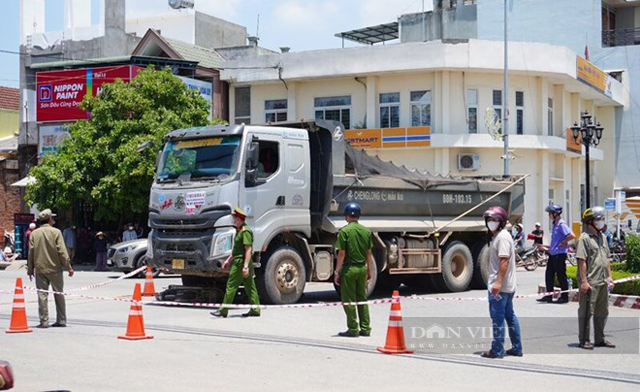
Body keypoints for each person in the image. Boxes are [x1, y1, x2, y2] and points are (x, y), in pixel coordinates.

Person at [481, 206, 523, 359]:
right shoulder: (499, 236)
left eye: (495, 220)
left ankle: (497, 350)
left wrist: (497, 283)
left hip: (501, 287)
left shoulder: (502, 237)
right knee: (509, 315)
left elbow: (504, 261)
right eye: (489, 220)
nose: (491, 223)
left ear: (502, 222)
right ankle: (517, 348)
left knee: (498, 317)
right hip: (505, 286)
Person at [576, 206, 615, 350]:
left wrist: (610, 277)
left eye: (602, 219)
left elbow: (606, 259)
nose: (601, 222)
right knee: (587, 312)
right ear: (590, 222)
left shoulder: (603, 237)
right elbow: (582, 261)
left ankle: (600, 339)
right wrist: (584, 281)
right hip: (590, 282)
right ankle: (584, 340)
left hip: (603, 281)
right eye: (598, 219)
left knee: (602, 312)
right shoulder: (584, 239)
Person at [27, 209, 74, 328]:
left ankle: (43, 321)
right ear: (49, 220)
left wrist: (30, 269)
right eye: (52, 218)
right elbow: (62, 252)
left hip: (40, 269)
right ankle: (61, 320)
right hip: (55, 269)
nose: (53, 220)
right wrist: (68, 267)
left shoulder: (34, 233)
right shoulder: (56, 232)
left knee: (42, 295)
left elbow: (30, 253)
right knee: (59, 294)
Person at [211, 207, 261, 318]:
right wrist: (228, 260)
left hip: (241, 263)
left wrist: (245, 267)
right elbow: (236, 250)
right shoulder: (239, 231)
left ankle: (223, 310)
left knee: (231, 286)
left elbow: (248, 250)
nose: (234, 220)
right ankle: (255, 309)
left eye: (235, 218)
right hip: (240, 262)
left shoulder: (245, 231)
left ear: (240, 219)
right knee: (250, 287)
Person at [334, 202, 373, 338]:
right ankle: (366, 328)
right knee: (362, 298)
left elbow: (342, 254)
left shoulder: (344, 232)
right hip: (362, 268)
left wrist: (337, 271)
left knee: (349, 299)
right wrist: (370, 271)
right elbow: (369, 253)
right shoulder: (366, 231)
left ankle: (353, 328)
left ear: (346, 216)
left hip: (349, 269)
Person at [538, 205, 575, 304]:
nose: (549, 215)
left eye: (550, 213)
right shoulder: (555, 224)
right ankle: (549, 296)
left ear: (555, 214)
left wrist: (564, 242)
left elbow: (572, 235)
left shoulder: (561, 224)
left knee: (561, 275)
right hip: (553, 253)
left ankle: (564, 297)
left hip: (560, 253)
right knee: (549, 274)